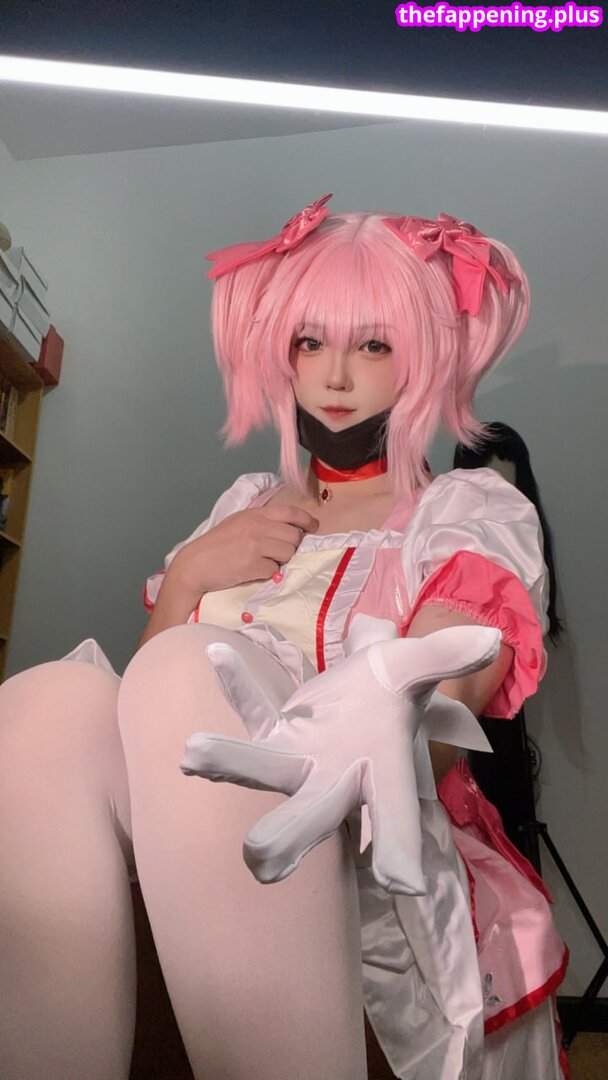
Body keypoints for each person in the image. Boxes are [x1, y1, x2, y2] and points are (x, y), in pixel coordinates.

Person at [0, 196, 568, 1080]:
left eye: (373, 344)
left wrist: (392, 708)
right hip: (183, 835)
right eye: (311, 342)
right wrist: (190, 575)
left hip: (363, 856)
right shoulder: (243, 506)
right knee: (46, 703)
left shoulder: (462, 510)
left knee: (188, 671)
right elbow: (141, 706)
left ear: (423, 356)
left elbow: (460, 654)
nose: (335, 374)